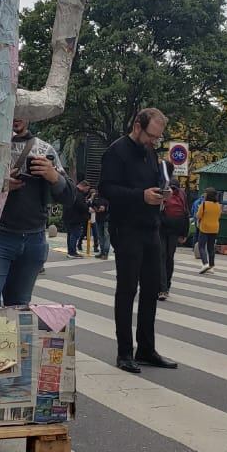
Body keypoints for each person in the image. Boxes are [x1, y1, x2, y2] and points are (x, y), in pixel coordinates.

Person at [99, 108, 178, 374]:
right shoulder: (116, 151)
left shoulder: (151, 153)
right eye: (151, 136)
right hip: (126, 228)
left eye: (158, 138)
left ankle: (146, 348)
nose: (154, 141)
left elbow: (153, 182)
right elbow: (107, 189)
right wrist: (140, 196)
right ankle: (124, 352)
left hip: (151, 228)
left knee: (152, 289)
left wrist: (163, 192)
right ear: (137, 126)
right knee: (127, 289)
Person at [0, 118, 71, 306]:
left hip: (34, 238)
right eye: (14, 108)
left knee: (18, 307)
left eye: (24, 111)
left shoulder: (45, 150)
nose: (17, 116)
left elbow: (70, 197)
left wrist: (54, 177)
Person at [159, 179, 189, 298]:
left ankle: (162, 289)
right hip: (175, 230)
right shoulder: (182, 194)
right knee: (169, 258)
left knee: (161, 257)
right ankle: (167, 286)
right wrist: (184, 234)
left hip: (161, 228)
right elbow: (186, 213)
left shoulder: (164, 191)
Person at [195, 190, 221, 274]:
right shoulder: (218, 205)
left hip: (205, 227)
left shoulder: (204, 204)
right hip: (214, 228)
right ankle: (212, 267)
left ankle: (205, 263)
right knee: (211, 248)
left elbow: (198, 215)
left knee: (201, 246)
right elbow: (219, 215)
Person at [63, 180, 90, 258]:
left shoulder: (71, 192)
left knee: (70, 234)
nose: (87, 191)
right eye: (87, 189)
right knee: (75, 234)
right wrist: (87, 207)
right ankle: (72, 252)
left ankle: (70, 251)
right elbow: (81, 206)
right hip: (75, 218)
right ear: (83, 186)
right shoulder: (79, 195)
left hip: (67, 216)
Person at [91, 193, 111, 260]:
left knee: (106, 236)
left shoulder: (109, 195)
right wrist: (95, 208)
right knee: (100, 236)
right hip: (99, 218)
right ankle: (102, 252)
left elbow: (113, 205)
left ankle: (105, 253)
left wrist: (105, 208)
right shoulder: (96, 196)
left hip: (107, 219)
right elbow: (92, 204)